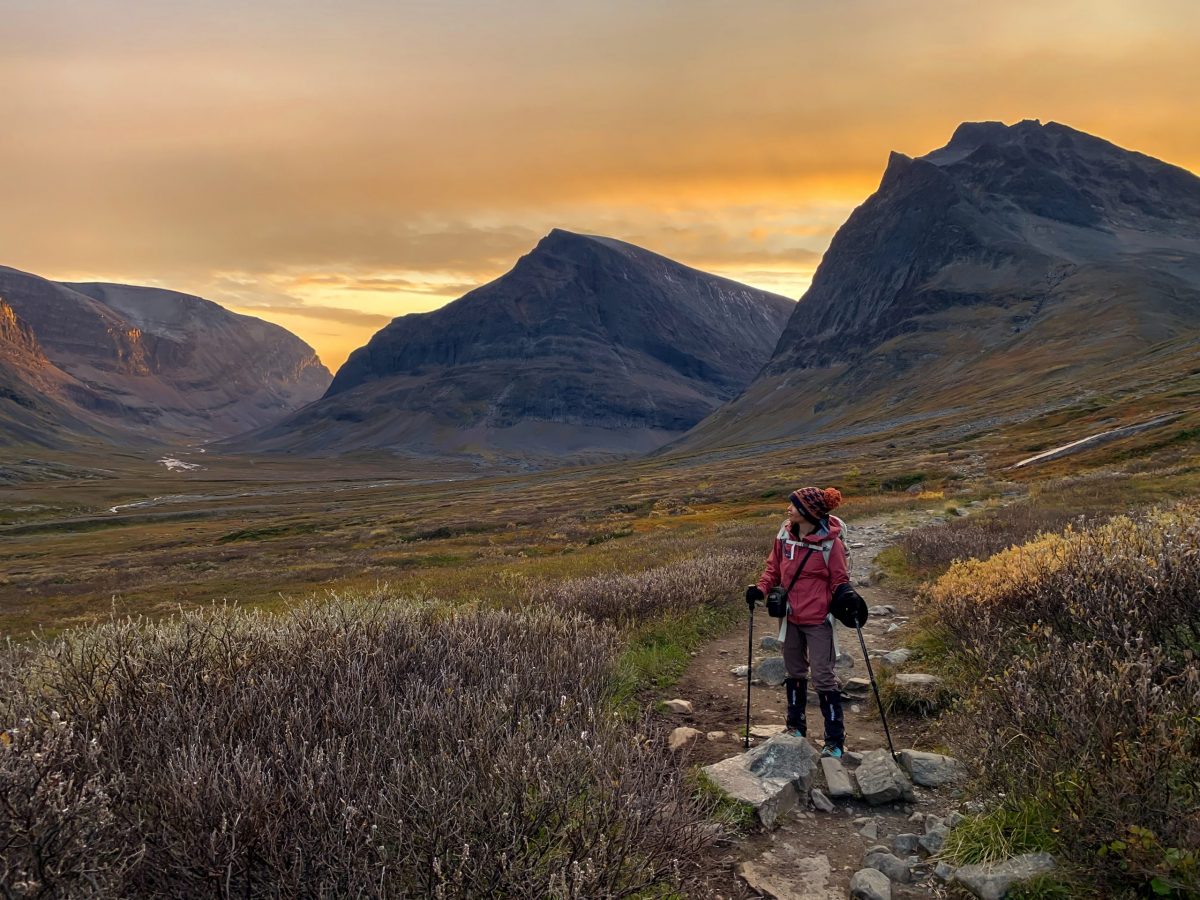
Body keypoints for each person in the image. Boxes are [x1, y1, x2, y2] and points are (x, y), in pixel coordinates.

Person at [745, 486, 854, 758]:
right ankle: (795, 726)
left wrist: (846, 598)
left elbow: (839, 580)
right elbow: (774, 568)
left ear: (807, 512)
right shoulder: (784, 535)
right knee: (794, 671)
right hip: (790, 616)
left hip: (818, 619)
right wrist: (760, 589)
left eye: (793, 505)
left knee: (823, 676)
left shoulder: (831, 544)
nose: (788, 509)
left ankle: (835, 740)